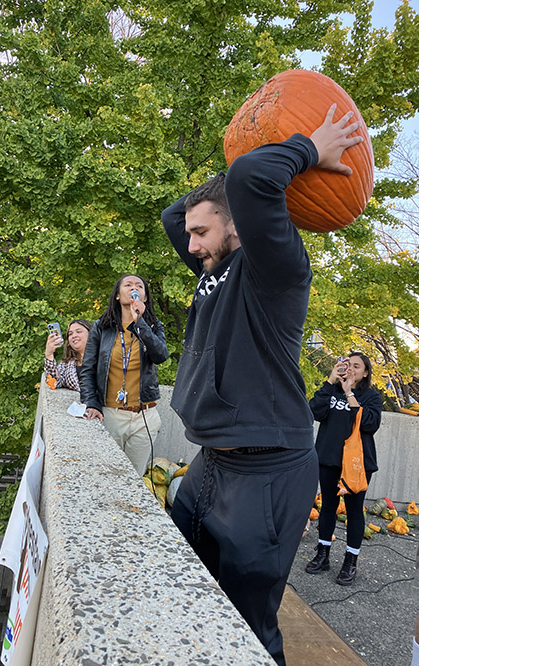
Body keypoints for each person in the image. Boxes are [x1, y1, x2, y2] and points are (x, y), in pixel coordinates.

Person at [162, 103, 365, 666]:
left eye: (203, 231)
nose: (191, 242)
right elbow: (171, 215)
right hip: (212, 466)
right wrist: (235, 157)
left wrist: (308, 148)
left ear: (238, 225)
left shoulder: (275, 271)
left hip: (268, 473)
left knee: (248, 626)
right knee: (185, 592)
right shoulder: (213, 268)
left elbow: (252, 180)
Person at [78, 274, 169, 475]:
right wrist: (91, 403)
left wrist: (141, 324)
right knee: (107, 476)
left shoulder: (153, 327)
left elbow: (161, 356)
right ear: (118, 296)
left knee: (134, 479)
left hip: (144, 416)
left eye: (139, 286)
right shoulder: (101, 328)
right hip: (111, 415)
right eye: (127, 285)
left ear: (144, 298)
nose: (133, 288)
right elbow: (88, 369)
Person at [304, 352, 383, 585]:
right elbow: (314, 411)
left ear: (366, 372)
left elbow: (370, 423)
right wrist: (330, 380)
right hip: (328, 459)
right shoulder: (331, 391)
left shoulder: (371, 397)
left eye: (357, 366)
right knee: (327, 507)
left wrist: (349, 392)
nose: (351, 369)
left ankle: (350, 561)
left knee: (354, 511)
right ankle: (323, 554)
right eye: (347, 364)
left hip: (356, 465)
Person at [43, 318, 92, 391]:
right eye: (70, 334)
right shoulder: (66, 366)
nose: (74, 336)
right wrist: (49, 354)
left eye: (78, 331)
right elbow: (53, 384)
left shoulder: (103, 358)